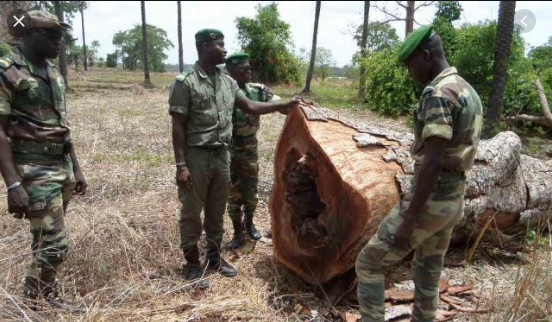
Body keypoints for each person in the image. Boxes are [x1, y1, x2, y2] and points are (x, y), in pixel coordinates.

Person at [355, 25, 483, 322]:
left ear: (426, 56)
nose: (410, 72)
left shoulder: (439, 94)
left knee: (369, 264)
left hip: (431, 201)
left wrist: (410, 216)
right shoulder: (465, 88)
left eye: (411, 64)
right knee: (427, 269)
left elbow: (433, 161)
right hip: (453, 201)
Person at [168, 29, 298, 287]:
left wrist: (282, 106)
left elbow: (250, 106)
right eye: (220, 44)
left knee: (217, 210)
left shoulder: (227, 82)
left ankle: (214, 258)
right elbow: (178, 126)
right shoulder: (186, 82)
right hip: (196, 155)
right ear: (205, 46)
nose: (225, 50)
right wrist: (181, 165)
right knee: (192, 211)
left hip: (222, 155)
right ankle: (193, 262)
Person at [0, 11, 87, 312]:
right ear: (28, 35)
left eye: (60, 36)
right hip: (33, 169)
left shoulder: (53, 71)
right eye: (51, 35)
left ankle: (44, 297)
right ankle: (32, 302)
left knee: (44, 239)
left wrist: (75, 167)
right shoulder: (8, 71)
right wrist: (12, 183)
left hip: (60, 167)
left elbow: (63, 123)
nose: (58, 41)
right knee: (55, 243)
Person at [224, 53, 282, 250]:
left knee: (251, 189)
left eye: (250, 67)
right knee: (233, 192)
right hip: (228, 148)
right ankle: (237, 232)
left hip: (250, 146)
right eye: (244, 68)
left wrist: (296, 106)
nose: (249, 71)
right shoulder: (222, 91)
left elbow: (279, 104)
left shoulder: (258, 90)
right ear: (231, 70)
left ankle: (249, 224)